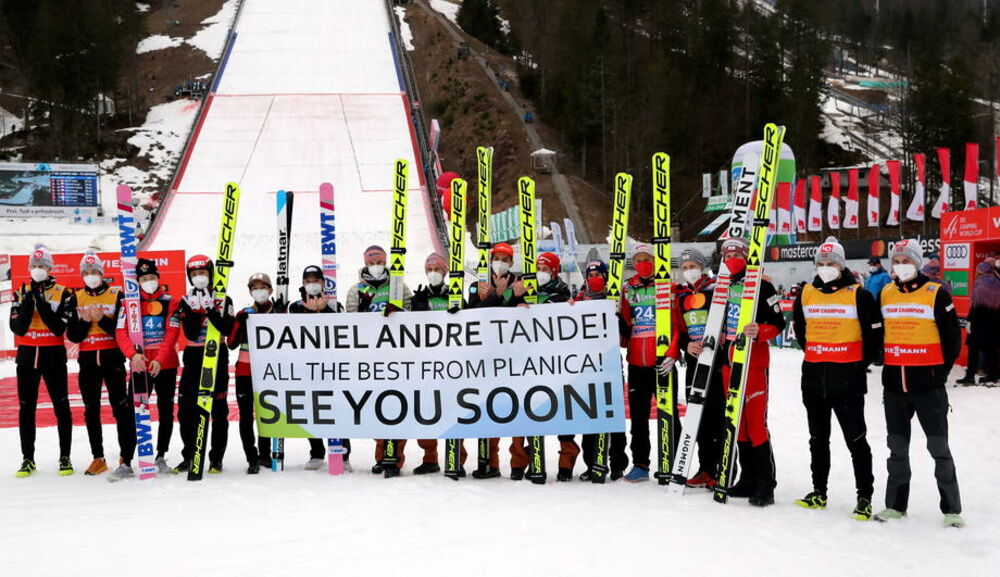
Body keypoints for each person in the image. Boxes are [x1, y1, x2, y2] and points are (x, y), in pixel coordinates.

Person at [874, 239, 964, 527]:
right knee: (897, 449)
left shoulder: (935, 292)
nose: (901, 264)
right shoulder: (886, 292)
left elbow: (952, 337)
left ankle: (951, 510)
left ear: (916, 261)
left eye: (906, 259)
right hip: (895, 387)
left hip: (929, 387)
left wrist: (941, 372)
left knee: (939, 448)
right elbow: (879, 331)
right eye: (896, 260)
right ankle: (896, 506)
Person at [791, 237, 880, 520]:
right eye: (822, 263)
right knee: (818, 440)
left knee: (856, 441)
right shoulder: (805, 293)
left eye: (831, 264)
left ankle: (864, 497)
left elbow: (875, 337)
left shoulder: (859, 294)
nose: (826, 268)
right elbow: (801, 331)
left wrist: (855, 365)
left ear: (842, 266)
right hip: (814, 379)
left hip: (848, 381)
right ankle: (819, 491)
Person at [716, 236, 785, 506]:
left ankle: (765, 483)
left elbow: (777, 322)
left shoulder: (762, 285)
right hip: (730, 362)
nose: (731, 258)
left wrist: (760, 332)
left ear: (747, 255)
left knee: (756, 424)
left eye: (736, 253)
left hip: (754, 363)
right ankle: (747, 478)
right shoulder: (726, 285)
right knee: (739, 424)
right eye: (726, 254)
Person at [66, 250, 133, 479]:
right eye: (86, 272)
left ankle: (126, 456)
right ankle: (98, 458)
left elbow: (122, 331)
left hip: (112, 357)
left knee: (120, 407)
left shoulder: (116, 294)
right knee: (91, 410)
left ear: (102, 273)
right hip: (87, 360)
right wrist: (85, 323)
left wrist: (100, 319)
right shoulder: (76, 297)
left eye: (94, 271)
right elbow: (73, 336)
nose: (90, 276)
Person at [346, 246, 412, 478]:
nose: (375, 264)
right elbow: (350, 321)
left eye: (379, 260)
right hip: (370, 358)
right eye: (371, 261)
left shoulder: (398, 286)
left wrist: (401, 311)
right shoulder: (356, 289)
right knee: (376, 407)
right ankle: (381, 455)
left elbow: (413, 319)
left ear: (385, 261)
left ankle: (395, 458)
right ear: (365, 262)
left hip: (395, 356)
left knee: (396, 405)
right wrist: (363, 312)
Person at [9, 244, 74, 477]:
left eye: (42, 266)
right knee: (27, 408)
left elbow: (59, 329)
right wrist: (28, 304)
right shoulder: (20, 291)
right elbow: (18, 328)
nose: (38, 270)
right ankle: (28, 459)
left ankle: (65, 457)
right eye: (34, 266)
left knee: (62, 407)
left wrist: (43, 306)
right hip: (27, 358)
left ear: (50, 268)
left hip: (53, 356)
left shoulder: (64, 292)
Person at [508, 252, 571, 483]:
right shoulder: (522, 287)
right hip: (525, 362)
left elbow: (561, 312)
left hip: (553, 363)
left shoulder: (562, 291)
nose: (540, 273)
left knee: (562, 413)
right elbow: (503, 312)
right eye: (538, 268)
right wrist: (516, 299)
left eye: (545, 269)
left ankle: (566, 462)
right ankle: (519, 462)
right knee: (522, 412)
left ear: (554, 271)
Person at [664, 247, 725, 488]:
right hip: (694, 361)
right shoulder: (681, 297)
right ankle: (706, 468)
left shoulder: (716, 290)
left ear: (702, 266)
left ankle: (723, 467)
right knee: (697, 417)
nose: (689, 271)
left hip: (717, 360)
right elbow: (679, 328)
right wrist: (686, 346)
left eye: (693, 266)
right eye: (685, 267)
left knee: (718, 416)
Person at [115, 258, 182, 474]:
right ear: (138, 281)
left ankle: (161, 456)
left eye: (152, 277)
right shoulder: (128, 303)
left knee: (165, 410)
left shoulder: (170, 301)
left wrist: (160, 359)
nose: (149, 281)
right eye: (144, 278)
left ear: (158, 277)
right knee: (134, 411)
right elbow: (120, 332)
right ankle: (126, 460)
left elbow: (172, 333)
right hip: (140, 365)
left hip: (165, 365)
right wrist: (132, 355)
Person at [172, 255, 234, 474]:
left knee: (218, 409)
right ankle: (190, 455)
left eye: (203, 273)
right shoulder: (185, 299)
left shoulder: (224, 298)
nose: (199, 278)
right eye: (195, 274)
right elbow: (189, 332)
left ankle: (216, 458)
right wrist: (195, 313)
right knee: (186, 410)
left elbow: (227, 328)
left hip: (217, 354)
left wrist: (210, 310)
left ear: (210, 273)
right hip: (194, 355)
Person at [466, 242, 522, 479]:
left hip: (515, 356)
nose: (499, 262)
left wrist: (511, 296)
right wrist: (501, 294)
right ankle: (490, 461)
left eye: (504, 258)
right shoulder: (477, 284)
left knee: (518, 409)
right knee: (489, 408)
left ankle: (520, 463)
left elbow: (524, 308)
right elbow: (475, 312)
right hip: (485, 356)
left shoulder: (520, 281)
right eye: (495, 258)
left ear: (510, 262)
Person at [290, 265, 352, 471]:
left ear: (323, 283)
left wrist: (323, 310)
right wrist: (309, 313)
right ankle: (316, 452)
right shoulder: (295, 307)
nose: (312, 284)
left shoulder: (335, 305)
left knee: (337, 408)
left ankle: (343, 455)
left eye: (315, 280)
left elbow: (341, 333)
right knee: (311, 408)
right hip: (306, 366)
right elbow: (293, 333)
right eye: (307, 281)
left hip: (332, 366)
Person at [411, 252, 465, 475]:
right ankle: (429, 456)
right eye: (430, 270)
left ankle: (457, 459)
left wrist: (460, 309)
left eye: (438, 270)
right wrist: (419, 306)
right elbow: (412, 329)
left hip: (453, 363)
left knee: (455, 411)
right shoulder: (419, 296)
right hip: (428, 364)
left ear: (445, 272)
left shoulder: (455, 294)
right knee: (426, 411)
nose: (433, 274)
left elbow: (472, 323)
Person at [574, 260, 629, 481]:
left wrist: (617, 317)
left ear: (606, 276)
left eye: (598, 273)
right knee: (591, 415)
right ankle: (593, 463)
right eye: (591, 274)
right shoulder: (580, 298)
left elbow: (627, 332)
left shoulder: (616, 299)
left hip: (611, 363)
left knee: (613, 415)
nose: (594, 277)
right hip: (587, 365)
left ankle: (617, 463)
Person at [228, 273, 277, 474]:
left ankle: (265, 455)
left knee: (267, 415)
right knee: (246, 417)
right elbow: (231, 344)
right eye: (254, 288)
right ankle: (251, 457)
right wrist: (239, 323)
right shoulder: (245, 312)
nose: (259, 291)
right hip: (244, 372)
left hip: (269, 372)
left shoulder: (277, 313)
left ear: (270, 290)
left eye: (263, 287)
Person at [620, 243, 659, 482]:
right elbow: (623, 320)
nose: (643, 264)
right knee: (639, 417)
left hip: (661, 361)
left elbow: (676, 321)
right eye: (638, 260)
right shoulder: (628, 288)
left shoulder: (666, 286)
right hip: (636, 361)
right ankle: (640, 464)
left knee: (669, 415)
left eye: (647, 259)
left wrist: (672, 353)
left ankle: (672, 460)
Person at [960, 258, 1000, 386]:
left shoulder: (979, 282)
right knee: (991, 350)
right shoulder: (997, 282)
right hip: (994, 321)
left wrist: (969, 320)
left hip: (978, 320)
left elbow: (975, 304)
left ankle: (970, 376)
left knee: (973, 349)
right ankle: (993, 375)